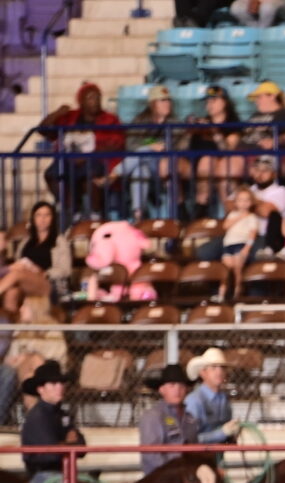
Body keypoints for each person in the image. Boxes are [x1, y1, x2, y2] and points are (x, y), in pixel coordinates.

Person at [40, 82, 124, 221]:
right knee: (51, 174)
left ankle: (95, 215)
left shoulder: (110, 119)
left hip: (97, 161)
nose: (95, 101)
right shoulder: (70, 117)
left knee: (90, 177)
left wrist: (88, 154)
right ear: (81, 101)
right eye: (91, 98)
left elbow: (117, 143)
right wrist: (57, 114)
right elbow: (44, 131)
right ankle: (70, 209)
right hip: (68, 160)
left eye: (98, 97)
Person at [119, 86, 191, 222]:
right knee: (140, 169)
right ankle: (138, 215)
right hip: (146, 163)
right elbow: (130, 145)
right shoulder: (140, 121)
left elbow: (183, 146)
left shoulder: (175, 122)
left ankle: (116, 173)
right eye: (162, 101)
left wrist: (167, 148)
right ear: (153, 104)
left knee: (145, 156)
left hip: (165, 164)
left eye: (168, 100)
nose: (167, 104)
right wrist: (150, 146)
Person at [19, 360, 83, 483]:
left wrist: (63, 445)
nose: (60, 387)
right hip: (41, 475)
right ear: (41, 389)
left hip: (63, 473)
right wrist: (69, 444)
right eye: (53, 383)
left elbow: (82, 447)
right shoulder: (37, 417)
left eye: (61, 383)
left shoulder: (62, 414)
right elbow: (50, 454)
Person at [0, 201, 70, 313]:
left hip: (48, 282)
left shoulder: (59, 241)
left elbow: (65, 270)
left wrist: (45, 273)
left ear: (52, 218)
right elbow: (19, 262)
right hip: (25, 280)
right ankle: (12, 329)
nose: (42, 219)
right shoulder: (25, 242)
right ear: (33, 218)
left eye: (47, 215)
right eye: (39, 215)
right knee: (11, 293)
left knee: (16, 274)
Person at [138, 363, 201, 474]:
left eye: (181, 386)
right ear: (162, 390)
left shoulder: (190, 418)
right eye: (172, 385)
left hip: (184, 477)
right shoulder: (153, 417)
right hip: (161, 479)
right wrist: (174, 472)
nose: (177, 390)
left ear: (186, 389)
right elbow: (151, 455)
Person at [191, 85, 243, 217]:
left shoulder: (233, 124)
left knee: (209, 162)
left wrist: (214, 130)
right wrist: (188, 128)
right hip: (195, 166)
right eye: (207, 101)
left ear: (224, 102)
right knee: (205, 161)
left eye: (213, 100)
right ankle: (197, 210)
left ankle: (227, 214)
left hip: (221, 165)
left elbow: (227, 148)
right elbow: (181, 145)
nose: (209, 104)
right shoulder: (200, 124)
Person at [185, 347, 243, 446]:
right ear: (203, 373)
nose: (219, 371)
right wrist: (222, 433)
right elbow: (191, 440)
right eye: (213, 367)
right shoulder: (194, 401)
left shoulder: (224, 399)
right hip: (198, 458)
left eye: (222, 367)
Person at [221, 187, 262, 295]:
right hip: (229, 244)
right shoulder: (232, 215)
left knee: (238, 267)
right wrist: (240, 217)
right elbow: (225, 226)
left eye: (246, 200)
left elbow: (252, 234)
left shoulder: (252, 217)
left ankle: (238, 289)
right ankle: (223, 291)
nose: (243, 203)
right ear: (236, 202)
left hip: (241, 244)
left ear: (251, 202)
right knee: (227, 268)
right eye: (240, 200)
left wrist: (247, 248)